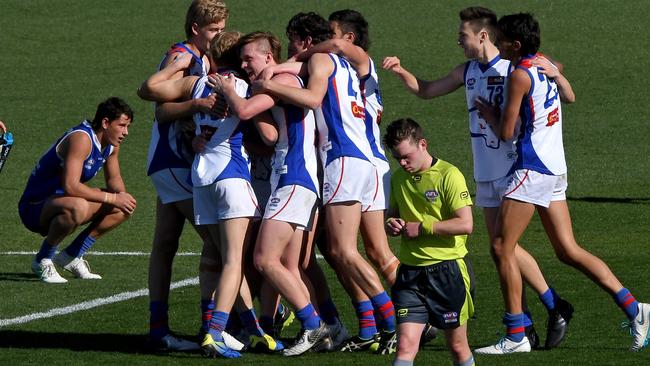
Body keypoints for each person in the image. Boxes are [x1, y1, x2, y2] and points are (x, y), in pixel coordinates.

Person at [382, 6, 573, 350]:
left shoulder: (514, 66)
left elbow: (548, 72)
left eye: (462, 35)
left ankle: (530, 320)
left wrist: (556, 71)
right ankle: (545, 310)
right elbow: (426, 90)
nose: (458, 40)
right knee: (504, 249)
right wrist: (400, 71)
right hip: (485, 171)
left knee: (504, 249)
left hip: (514, 168)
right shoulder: (468, 70)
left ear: (482, 35)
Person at [474, 12, 649, 354]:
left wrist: (490, 114)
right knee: (568, 250)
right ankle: (636, 308)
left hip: (532, 167)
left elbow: (507, 133)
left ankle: (516, 335)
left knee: (500, 248)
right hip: (555, 168)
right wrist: (557, 74)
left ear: (516, 45)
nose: (497, 44)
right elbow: (569, 97)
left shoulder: (520, 75)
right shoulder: (544, 63)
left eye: (502, 40)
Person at [257, 10, 397, 355]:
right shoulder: (349, 67)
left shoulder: (323, 57)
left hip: (343, 159)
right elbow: (295, 67)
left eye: (294, 42)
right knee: (352, 251)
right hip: (369, 161)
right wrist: (277, 67)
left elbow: (314, 96)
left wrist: (267, 83)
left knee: (343, 250)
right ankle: (372, 326)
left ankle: (397, 320)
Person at [139, 32, 282, 359]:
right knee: (233, 261)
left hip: (201, 177)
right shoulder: (244, 89)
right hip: (231, 177)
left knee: (221, 254)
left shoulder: (196, 84)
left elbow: (149, 92)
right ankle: (215, 331)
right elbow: (270, 135)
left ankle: (253, 329)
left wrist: (173, 66)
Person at [211, 30, 348, 356]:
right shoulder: (282, 81)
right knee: (288, 262)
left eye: (249, 59)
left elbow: (244, 111)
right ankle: (321, 327)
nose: (245, 65)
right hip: (296, 179)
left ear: (268, 57)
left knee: (263, 259)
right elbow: (271, 134)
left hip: (294, 177)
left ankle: (314, 324)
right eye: (241, 60)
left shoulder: (282, 78)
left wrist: (230, 91)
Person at [144, 0, 234, 352]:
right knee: (217, 241)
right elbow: (162, 110)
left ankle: (158, 329)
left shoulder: (202, 59)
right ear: (195, 27)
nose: (219, 35)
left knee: (165, 244)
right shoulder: (182, 55)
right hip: (173, 160)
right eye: (214, 29)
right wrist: (196, 105)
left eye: (222, 28)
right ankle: (213, 324)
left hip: (171, 161)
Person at [383, 118, 474, 366]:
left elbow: (465, 224)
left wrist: (422, 227)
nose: (402, 163)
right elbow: (391, 214)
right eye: (397, 158)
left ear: (423, 144)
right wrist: (391, 223)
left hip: (447, 271)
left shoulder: (449, 175)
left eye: (406, 157)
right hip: (410, 274)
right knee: (404, 347)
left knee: (456, 346)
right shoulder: (398, 179)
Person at [19, 97, 136, 284]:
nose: (126, 132)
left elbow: (114, 179)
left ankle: (71, 256)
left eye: (127, 127)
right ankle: (42, 259)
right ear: (105, 123)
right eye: (122, 125)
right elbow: (71, 186)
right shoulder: (82, 138)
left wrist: (121, 198)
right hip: (35, 207)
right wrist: (111, 198)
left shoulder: (112, 146)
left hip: (62, 201)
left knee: (123, 207)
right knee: (78, 206)